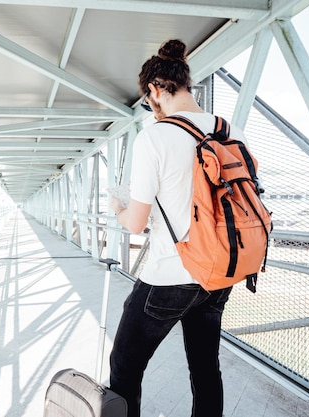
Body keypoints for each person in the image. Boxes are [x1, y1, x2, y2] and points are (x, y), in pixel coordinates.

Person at [109, 39, 247, 417]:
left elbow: (137, 224)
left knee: (124, 368)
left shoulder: (154, 136)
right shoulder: (229, 131)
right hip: (219, 273)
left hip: (170, 276)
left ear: (155, 90)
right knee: (205, 370)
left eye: (148, 100)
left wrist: (118, 209)